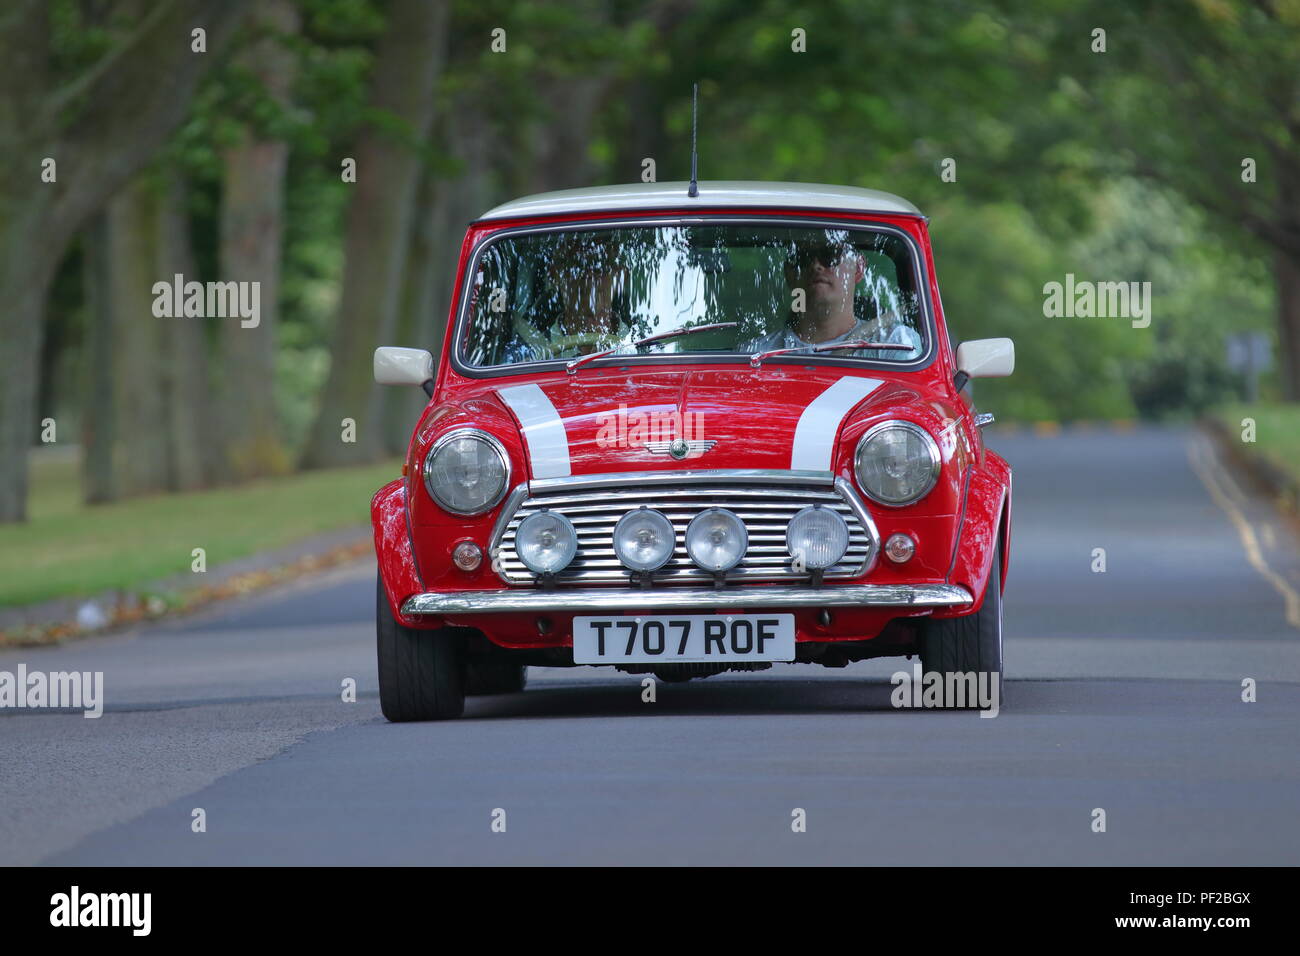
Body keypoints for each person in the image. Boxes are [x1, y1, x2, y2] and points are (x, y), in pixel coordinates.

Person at [742, 234, 922, 360]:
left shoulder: (895, 344)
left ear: (858, 268)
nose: (816, 266)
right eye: (802, 258)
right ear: (789, 273)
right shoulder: (755, 353)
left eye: (830, 256)